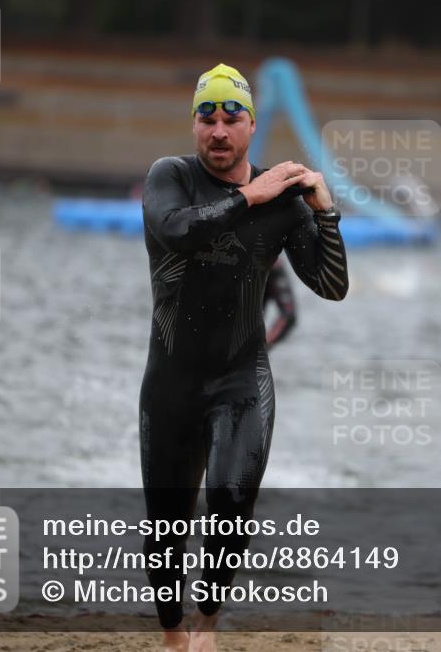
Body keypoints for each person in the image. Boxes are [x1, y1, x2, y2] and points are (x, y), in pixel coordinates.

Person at [139, 63, 348, 652]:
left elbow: (331, 286)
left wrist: (324, 211)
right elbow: (177, 232)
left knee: (231, 504)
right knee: (166, 529)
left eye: (232, 117)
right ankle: (174, 637)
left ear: (251, 125)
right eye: (207, 117)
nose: (218, 130)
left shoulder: (283, 204)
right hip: (172, 383)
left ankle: (206, 625)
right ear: (194, 126)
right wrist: (248, 196)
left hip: (241, 380)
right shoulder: (169, 177)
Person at [264, 259, 298, 349]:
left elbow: (288, 316)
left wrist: (261, 347)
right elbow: (289, 315)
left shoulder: (272, 264)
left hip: (245, 354)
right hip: (246, 353)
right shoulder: (269, 260)